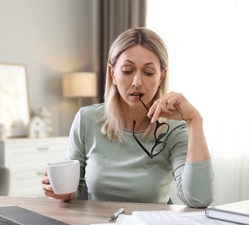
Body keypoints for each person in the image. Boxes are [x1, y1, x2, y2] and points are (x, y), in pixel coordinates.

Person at [42, 27, 214, 208]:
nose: (137, 82)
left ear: (161, 76)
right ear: (112, 74)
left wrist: (194, 121)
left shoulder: (173, 129)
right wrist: (63, 192)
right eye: (127, 70)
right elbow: (75, 190)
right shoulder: (86, 119)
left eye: (148, 73)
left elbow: (199, 199)